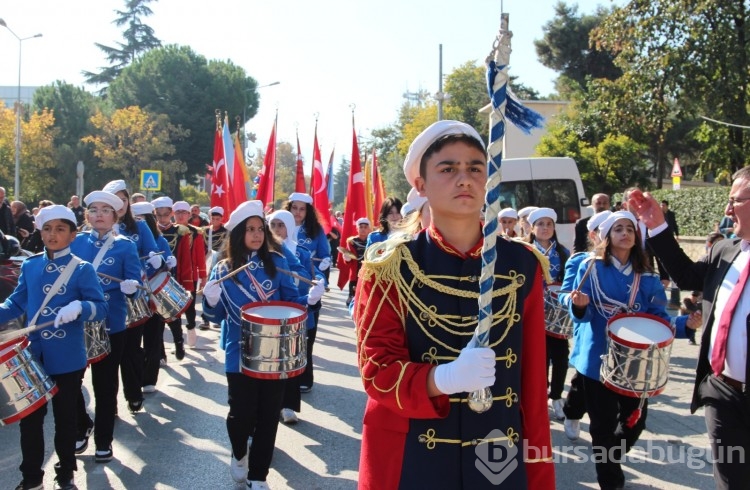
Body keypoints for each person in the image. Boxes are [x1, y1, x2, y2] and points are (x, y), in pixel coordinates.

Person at [353, 120, 554, 489]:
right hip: (411, 457)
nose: (465, 179)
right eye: (448, 169)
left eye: (476, 168)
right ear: (420, 185)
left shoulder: (523, 265)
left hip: (498, 458)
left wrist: (539, 472)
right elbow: (376, 371)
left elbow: (532, 387)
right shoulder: (387, 266)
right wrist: (443, 378)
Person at [628, 172, 750, 490]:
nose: (727, 210)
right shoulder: (725, 250)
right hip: (722, 392)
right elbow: (686, 277)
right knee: (730, 480)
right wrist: (656, 224)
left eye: (735, 201)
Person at [568, 210, 696, 490]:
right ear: (607, 236)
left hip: (636, 362)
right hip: (596, 358)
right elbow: (582, 312)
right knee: (602, 427)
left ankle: (609, 457)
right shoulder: (590, 266)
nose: (625, 233)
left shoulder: (647, 274)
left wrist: (688, 324)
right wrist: (579, 306)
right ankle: (611, 481)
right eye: (618, 229)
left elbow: (657, 316)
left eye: (630, 228)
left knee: (634, 423)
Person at [201, 200, 325, 489]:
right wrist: (210, 299)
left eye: (260, 229)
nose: (257, 234)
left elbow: (292, 303)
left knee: (269, 415)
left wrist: (310, 301)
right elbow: (215, 316)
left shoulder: (278, 263)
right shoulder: (222, 269)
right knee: (240, 414)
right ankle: (239, 452)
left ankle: (259, 476)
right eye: (250, 230)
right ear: (237, 235)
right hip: (238, 350)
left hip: (276, 352)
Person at [0, 205, 107, 490]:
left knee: (66, 419)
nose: (52, 234)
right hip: (33, 355)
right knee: (30, 421)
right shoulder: (31, 265)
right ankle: (32, 477)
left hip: (67, 356)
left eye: (60, 229)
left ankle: (66, 473)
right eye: (47, 229)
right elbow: (16, 303)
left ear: (73, 235)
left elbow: (101, 308)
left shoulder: (81, 269)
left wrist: (80, 306)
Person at [71, 190, 143, 464]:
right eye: (94, 210)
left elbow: (136, 288)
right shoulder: (76, 244)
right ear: (87, 215)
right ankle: (81, 424)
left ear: (115, 216)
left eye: (105, 210)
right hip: (77, 322)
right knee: (70, 381)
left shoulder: (125, 246)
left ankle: (104, 441)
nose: (98, 215)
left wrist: (131, 288)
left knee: (104, 384)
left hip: (111, 324)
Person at [100, 180, 163, 414]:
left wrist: (156, 259)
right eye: (114, 199)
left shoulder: (139, 227)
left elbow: (152, 253)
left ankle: (134, 393)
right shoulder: (95, 232)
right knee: (108, 354)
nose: (120, 204)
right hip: (107, 300)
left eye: (123, 199)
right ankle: (109, 404)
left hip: (133, 295)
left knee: (131, 349)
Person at [557, 210, 611, 441]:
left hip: (617, 332)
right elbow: (564, 293)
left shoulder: (630, 263)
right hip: (587, 325)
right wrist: (575, 301)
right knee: (585, 378)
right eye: (605, 232)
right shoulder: (580, 260)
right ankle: (573, 412)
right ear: (594, 235)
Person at [267, 209, 324, 425]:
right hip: (273, 313)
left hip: (297, 310)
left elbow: (311, 274)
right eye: (273, 225)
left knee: (292, 358)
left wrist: (318, 284)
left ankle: (289, 406)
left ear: (290, 227)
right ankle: (272, 406)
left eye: (281, 225)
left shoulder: (300, 252)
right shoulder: (265, 252)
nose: (277, 230)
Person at [526, 207, 570, 422]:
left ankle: (557, 396)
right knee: (539, 358)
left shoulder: (563, 253)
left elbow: (570, 282)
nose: (545, 228)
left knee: (561, 357)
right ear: (532, 228)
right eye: (540, 224)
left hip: (558, 315)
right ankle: (539, 398)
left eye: (549, 224)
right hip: (533, 313)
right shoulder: (525, 251)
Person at [284, 192, 331, 392]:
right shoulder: (280, 225)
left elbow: (324, 256)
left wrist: (321, 276)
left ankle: (305, 376)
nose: (297, 212)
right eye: (294, 208)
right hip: (283, 286)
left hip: (307, 285)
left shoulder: (315, 230)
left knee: (306, 335)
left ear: (308, 211)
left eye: (302, 209)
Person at [131, 201, 174, 393]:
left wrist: (167, 262)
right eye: (136, 220)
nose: (141, 223)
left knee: (154, 338)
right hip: (135, 296)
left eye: (144, 219)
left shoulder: (160, 240)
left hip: (155, 295)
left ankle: (149, 379)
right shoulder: (126, 239)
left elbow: (168, 264)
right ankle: (137, 374)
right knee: (133, 341)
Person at [153, 196, 195, 360]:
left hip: (173, 279)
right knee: (157, 319)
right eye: (159, 215)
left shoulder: (180, 231)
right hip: (154, 279)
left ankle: (178, 342)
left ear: (171, 213)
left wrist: (187, 283)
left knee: (173, 316)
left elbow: (185, 259)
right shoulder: (151, 231)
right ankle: (161, 352)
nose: (162, 218)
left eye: (165, 214)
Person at [173, 200, 208, 347]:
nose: (181, 216)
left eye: (184, 213)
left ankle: (191, 327)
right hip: (173, 274)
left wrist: (203, 275)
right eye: (178, 212)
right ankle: (178, 339)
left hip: (190, 274)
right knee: (174, 307)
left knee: (190, 305)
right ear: (173, 214)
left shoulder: (196, 232)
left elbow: (200, 255)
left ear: (189, 215)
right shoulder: (169, 230)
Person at [339, 217, 371, 308]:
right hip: (355, 274)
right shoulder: (352, 242)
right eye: (361, 227)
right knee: (353, 298)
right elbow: (348, 259)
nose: (363, 229)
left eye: (365, 227)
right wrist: (347, 258)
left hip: (368, 273)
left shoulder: (372, 240)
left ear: (369, 229)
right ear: (357, 228)